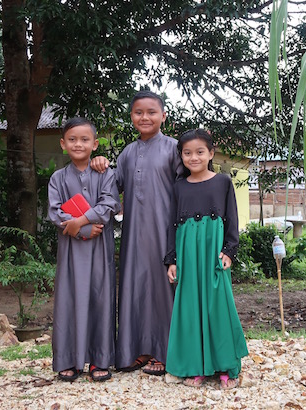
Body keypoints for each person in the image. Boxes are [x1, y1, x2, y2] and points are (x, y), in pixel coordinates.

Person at [90, 90, 184, 375]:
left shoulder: (174, 148)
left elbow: (188, 185)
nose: (145, 117)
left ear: (164, 116)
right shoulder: (128, 152)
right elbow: (111, 185)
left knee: (163, 289)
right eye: (138, 112)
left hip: (165, 232)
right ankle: (137, 351)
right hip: (133, 235)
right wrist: (100, 164)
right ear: (131, 117)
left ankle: (166, 351)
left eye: (152, 112)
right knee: (134, 288)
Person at [164, 128, 248, 389]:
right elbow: (171, 225)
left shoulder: (223, 182)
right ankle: (196, 366)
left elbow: (232, 219)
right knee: (190, 309)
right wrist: (172, 260)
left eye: (200, 152)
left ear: (211, 153)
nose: (194, 157)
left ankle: (225, 367)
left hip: (213, 253)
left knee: (218, 306)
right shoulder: (178, 187)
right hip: (188, 253)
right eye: (187, 153)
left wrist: (230, 250)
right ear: (181, 156)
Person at [48, 117, 120, 382]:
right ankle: (69, 359)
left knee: (101, 298)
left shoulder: (106, 174)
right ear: (63, 144)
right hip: (71, 250)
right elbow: (56, 213)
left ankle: (99, 360)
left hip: (100, 250)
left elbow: (109, 204)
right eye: (72, 139)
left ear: (95, 144)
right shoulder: (57, 178)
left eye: (85, 139)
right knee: (69, 299)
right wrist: (82, 228)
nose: (78, 144)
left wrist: (81, 219)